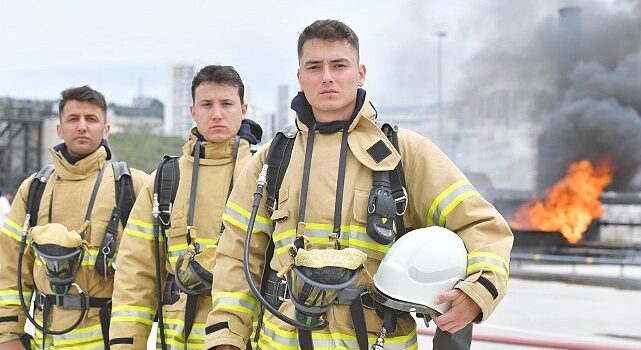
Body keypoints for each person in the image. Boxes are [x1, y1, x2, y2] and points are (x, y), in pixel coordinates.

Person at [204, 19, 513, 350]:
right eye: (314, 66)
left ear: (360, 72)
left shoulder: (404, 153)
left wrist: (480, 291)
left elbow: (482, 226)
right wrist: (226, 337)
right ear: (300, 77)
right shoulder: (271, 161)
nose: (327, 76)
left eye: (339, 65)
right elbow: (235, 257)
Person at [109, 65, 262, 349]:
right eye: (206, 104)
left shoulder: (266, 176)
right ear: (192, 111)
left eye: (226, 104)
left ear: (243, 109)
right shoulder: (165, 180)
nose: (216, 113)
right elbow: (135, 274)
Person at [0, 86, 148, 349]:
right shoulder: (35, 189)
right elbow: (9, 269)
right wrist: (8, 335)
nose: (82, 126)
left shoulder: (131, 185)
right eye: (73, 119)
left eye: (91, 119)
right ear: (59, 129)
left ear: (106, 129)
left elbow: (151, 272)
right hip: (46, 340)